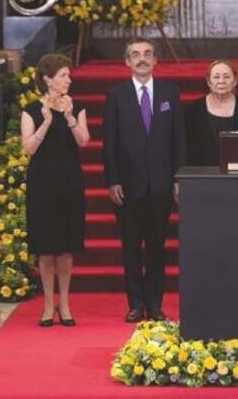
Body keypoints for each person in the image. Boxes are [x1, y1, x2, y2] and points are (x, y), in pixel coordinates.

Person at [102, 38, 186, 323]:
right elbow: (109, 143)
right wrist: (112, 180)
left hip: (161, 186)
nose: (142, 59)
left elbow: (179, 140)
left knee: (156, 249)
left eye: (147, 54)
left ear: (155, 61)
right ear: (127, 61)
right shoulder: (116, 95)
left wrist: (178, 177)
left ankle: (156, 305)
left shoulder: (169, 93)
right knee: (130, 249)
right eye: (135, 55)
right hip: (127, 186)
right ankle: (136, 305)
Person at [20, 53, 90, 327]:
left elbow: (84, 142)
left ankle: (65, 304)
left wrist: (70, 117)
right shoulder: (30, 110)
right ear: (48, 79)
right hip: (42, 183)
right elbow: (29, 149)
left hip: (70, 182)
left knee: (66, 249)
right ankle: (48, 305)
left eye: (68, 75)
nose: (68, 79)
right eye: (63, 75)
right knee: (46, 248)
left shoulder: (78, 107)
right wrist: (47, 122)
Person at [185, 59, 238, 166]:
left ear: (235, 81)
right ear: (208, 81)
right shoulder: (193, 110)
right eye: (216, 77)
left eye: (227, 76)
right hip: (201, 174)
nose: (221, 81)